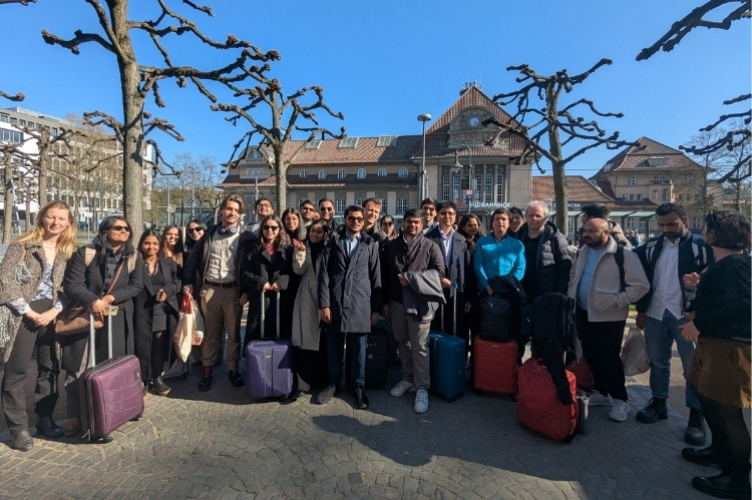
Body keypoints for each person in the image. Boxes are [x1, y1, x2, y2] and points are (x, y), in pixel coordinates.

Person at [679, 210, 751, 499]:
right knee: (708, 399)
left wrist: (699, 323)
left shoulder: (736, 265)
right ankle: (719, 452)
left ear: (713, 234)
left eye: (705, 227)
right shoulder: (725, 263)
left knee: (728, 412)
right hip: (715, 345)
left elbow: (743, 308)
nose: (702, 231)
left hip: (730, 348)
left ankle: (737, 480)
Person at [633, 203, 714, 445]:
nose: (666, 229)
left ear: (684, 219)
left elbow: (719, 273)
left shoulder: (702, 246)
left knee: (693, 369)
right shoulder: (650, 246)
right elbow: (637, 272)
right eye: (661, 225)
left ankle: (696, 417)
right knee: (658, 362)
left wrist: (702, 281)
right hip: (657, 312)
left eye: (671, 224)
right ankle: (659, 403)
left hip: (686, 316)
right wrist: (641, 309)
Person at [0, 201, 77, 451]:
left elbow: (71, 287)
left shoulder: (70, 251)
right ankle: (18, 428)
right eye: (51, 217)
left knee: (50, 366)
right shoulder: (22, 245)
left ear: (69, 223)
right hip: (22, 312)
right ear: (42, 217)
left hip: (54, 313)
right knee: (17, 370)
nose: (55, 223)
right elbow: (5, 280)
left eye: (61, 219)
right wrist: (29, 311)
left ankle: (45, 417)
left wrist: (55, 310)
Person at [60, 216, 144, 437]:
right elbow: (72, 284)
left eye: (127, 228)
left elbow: (136, 286)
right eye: (118, 228)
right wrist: (93, 301)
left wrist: (111, 298)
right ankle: (75, 414)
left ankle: (110, 410)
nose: (124, 231)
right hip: (84, 316)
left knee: (111, 363)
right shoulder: (85, 253)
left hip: (115, 317)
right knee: (78, 364)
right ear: (105, 231)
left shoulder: (133, 257)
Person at [568, 218, 649, 422]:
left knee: (610, 359)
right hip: (583, 312)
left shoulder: (623, 255)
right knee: (591, 354)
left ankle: (621, 399)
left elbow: (641, 286)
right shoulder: (583, 252)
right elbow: (574, 277)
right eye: (585, 230)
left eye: (592, 231)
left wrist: (617, 301)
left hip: (609, 317)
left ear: (606, 233)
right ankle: (602, 393)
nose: (586, 234)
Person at [183, 194, 253, 392]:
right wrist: (188, 282)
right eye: (228, 208)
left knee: (233, 334)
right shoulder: (210, 233)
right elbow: (194, 258)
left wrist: (246, 290)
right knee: (210, 334)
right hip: (209, 289)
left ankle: (232, 369)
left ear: (240, 214)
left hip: (233, 291)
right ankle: (207, 368)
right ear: (222, 210)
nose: (232, 213)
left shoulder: (246, 236)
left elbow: (250, 265)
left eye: (236, 210)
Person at [317, 205, 381, 410]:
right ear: (344, 219)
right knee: (334, 346)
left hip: (361, 304)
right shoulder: (333, 242)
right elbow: (324, 275)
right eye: (351, 218)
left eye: (359, 219)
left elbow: (376, 277)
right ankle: (334, 383)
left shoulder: (370, 244)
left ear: (364, 222)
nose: (356, 222)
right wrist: (324, 304)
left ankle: (357, 386)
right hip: (335, 304)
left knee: (359, 349)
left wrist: (375, 308)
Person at [382, 209, 445, 413]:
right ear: (403, 223)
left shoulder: (431, 246)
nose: (413, 224)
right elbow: (384, 276)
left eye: (416, 222)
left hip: (420, 303)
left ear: (422, 224)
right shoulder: (392, 247)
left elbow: (439, 273)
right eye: (409, 221)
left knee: (420, 346)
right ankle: (407, 379)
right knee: (403, 343)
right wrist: (384, 302)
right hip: (397, 303)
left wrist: (411, 278)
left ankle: (422, 388)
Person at [133, 230, 181, 397]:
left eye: (155, 243)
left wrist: (168, 290)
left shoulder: (167, 263)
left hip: (161, 309)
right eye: (147, 243)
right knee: (142, 344)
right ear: (141, 244)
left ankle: (156, 377)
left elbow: (178, 282)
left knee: (159, 345)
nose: (150, 247)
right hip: (141, 310)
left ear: (160, 245)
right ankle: (142, 379)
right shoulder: (135, 263)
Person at [291, 220, 330, 398]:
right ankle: (302, 384)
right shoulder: (302, 246)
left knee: (322, 341)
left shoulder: (328, 249)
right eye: (312, 231)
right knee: (306, 341)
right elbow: (298, 270)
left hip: (323, 296)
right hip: (306, 295)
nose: (315, 234)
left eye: (319, 232)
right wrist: (299, 254)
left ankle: (321, 381)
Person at [242, 214, 293, 347]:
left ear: (279, 229)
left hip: (280, 298)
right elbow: (245, 271)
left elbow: (291, 272)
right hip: (260, 297)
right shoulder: (254, 247)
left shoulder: (287, 249)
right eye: (266, 227)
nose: (269, 231)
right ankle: (256, 364)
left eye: (273, 228)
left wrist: (281, 283)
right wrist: (260, 282)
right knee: (257, 330)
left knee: (280, 331)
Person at [425, 201, 473, 343]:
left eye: (451, 213)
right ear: (437, 216)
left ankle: (455, 363)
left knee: (455, 329)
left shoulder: (462, 240)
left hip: (456, 293)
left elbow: (467, 270)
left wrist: (468, 297)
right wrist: (437, 279)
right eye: (443, 213)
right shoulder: (428, 238)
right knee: (436, 330)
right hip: (435, 291)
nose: (447, 216)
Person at [516, 201, 571, 302]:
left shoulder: (556, 238)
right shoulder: (519, 237)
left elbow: (565, 267)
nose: (534, 218)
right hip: (523, 293)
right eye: (531, 215)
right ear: (526, 218)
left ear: (545, 218)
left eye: (538, 215)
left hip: (547, 294)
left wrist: (559, 294)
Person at [473, 207, 525, 294]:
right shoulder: (481, 242)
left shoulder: (517, 245)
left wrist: (509, 284)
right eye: (497, 219)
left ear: (509, 223)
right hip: (486, 291)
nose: (500, 222)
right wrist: (487, 286)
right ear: (492, 223)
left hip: (509, 290)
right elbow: (478, 266)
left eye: (504, 219)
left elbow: (520, 268)